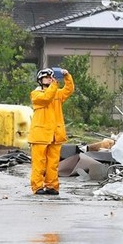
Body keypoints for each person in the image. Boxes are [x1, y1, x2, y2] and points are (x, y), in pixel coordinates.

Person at [28, 67, 75, 195]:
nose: (49, 79)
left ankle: (52, 186)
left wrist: (67, 76)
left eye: (51, 77)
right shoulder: (36, 94)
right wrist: (54, 84)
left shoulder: (57, 93)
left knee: (52, 164)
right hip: (40, 136)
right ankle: (37, 187)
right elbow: (47, 98)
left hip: (55, 135)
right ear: (40, 80)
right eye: (46, 77)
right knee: (39, 163)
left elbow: (69, 89)